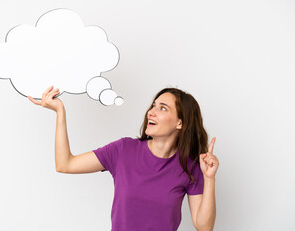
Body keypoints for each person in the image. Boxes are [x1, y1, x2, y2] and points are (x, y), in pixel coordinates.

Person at [28, 86, 219, 231]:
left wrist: (209, 179)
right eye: (153, 105)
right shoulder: (124, 149)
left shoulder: (191, 167)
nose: (151, 112)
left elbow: (204, 227)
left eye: (162, 108)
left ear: (180, 122)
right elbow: (65, 164)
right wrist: (60, 113)